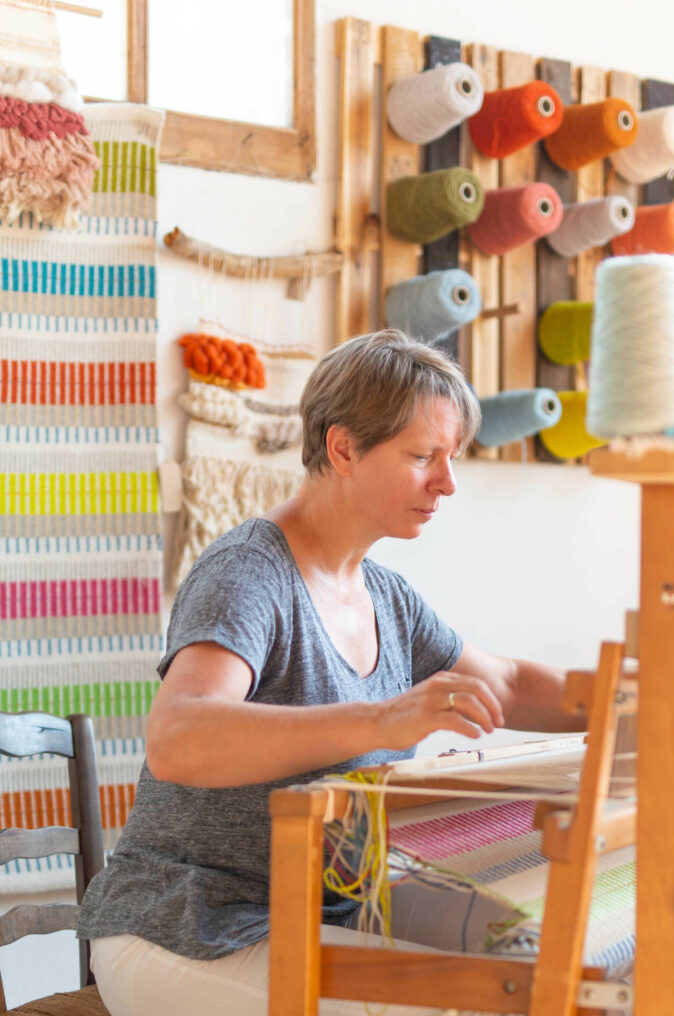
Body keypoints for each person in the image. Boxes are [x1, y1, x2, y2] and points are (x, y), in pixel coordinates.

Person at [77, 329, 586, 1016]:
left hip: (309, 921)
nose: (448, 482)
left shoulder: (387, 597)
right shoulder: (249, 572)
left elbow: (511, 684)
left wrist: (664, 693)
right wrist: (383, 718)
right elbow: (177, 737)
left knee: (526, 977)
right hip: (184, 933)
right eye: (422, 457)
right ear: (343, 448)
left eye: (451, 457)